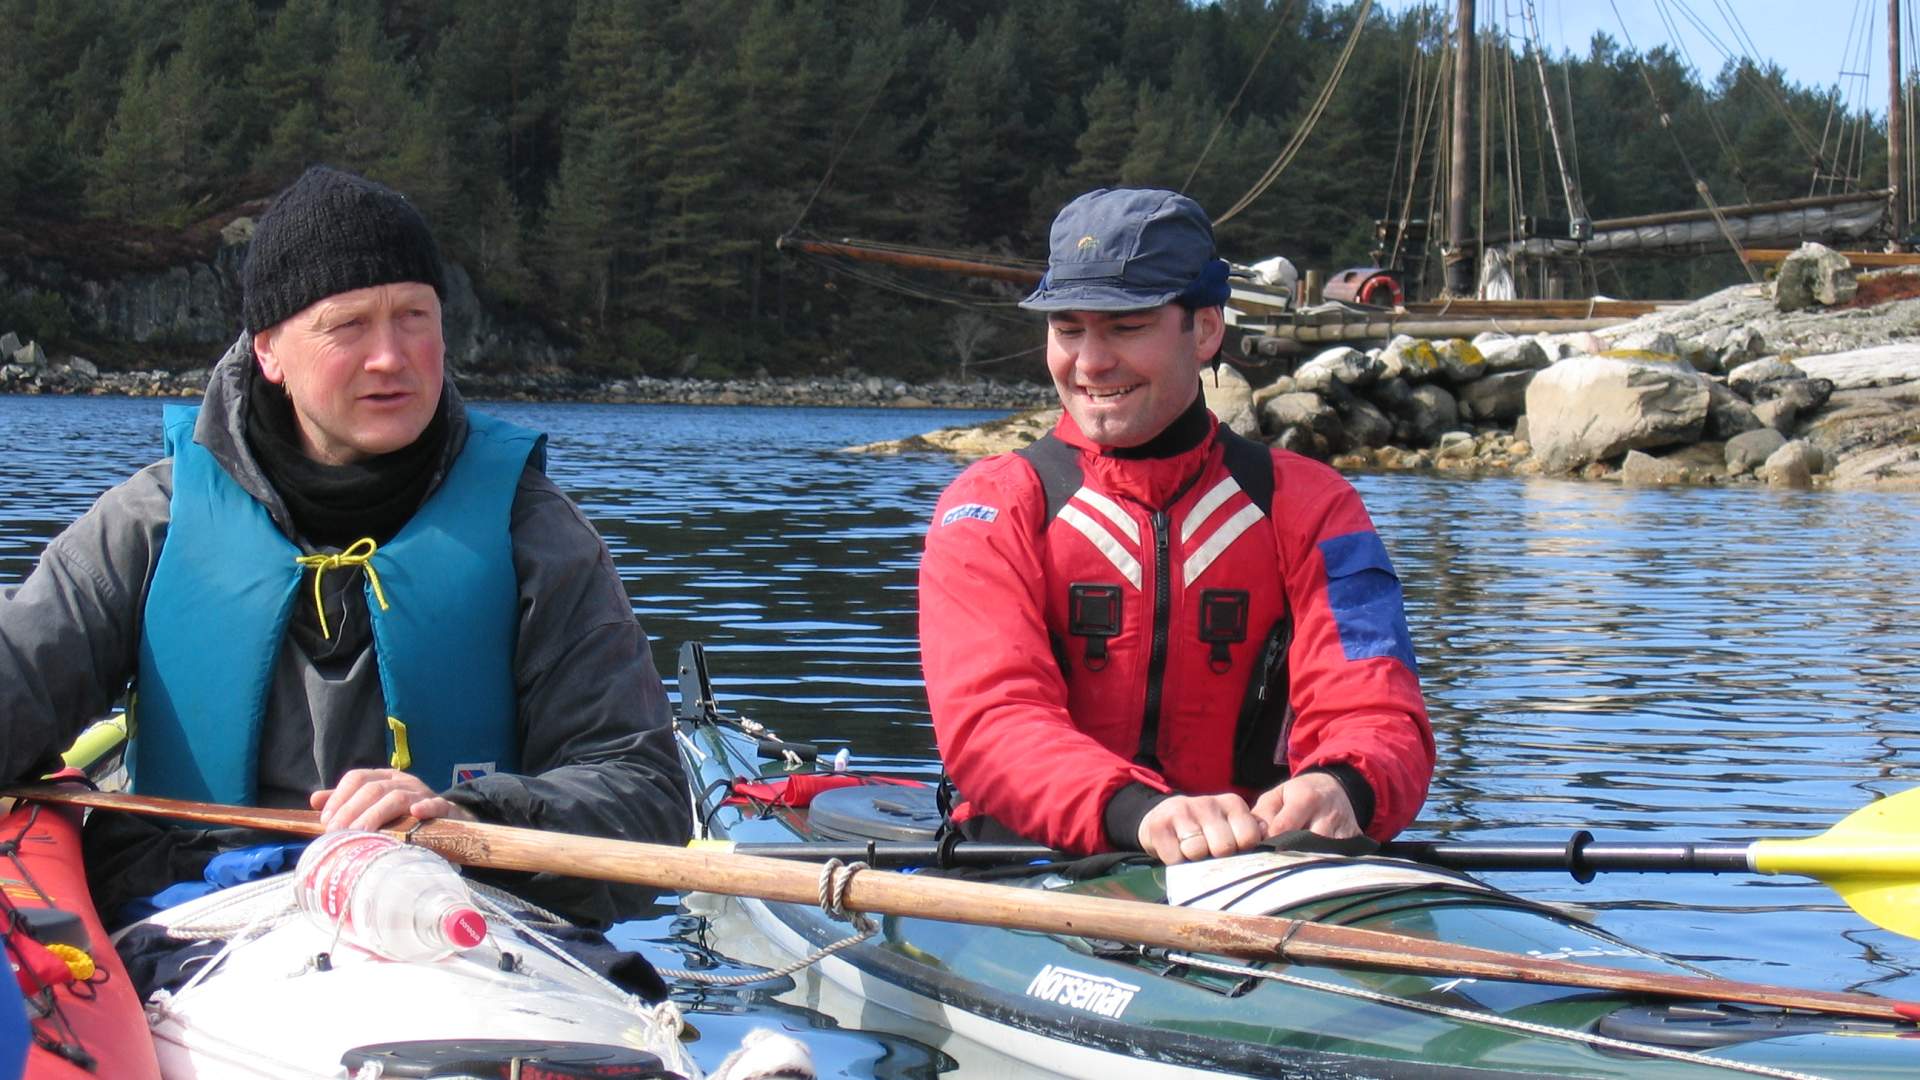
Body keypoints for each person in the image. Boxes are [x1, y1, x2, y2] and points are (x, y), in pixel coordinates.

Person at [0, 165, 690, 925]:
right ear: (269, 350)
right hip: (202, 920)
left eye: (414, 317)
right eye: (348, 325)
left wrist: (465, 817)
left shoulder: (535, 532)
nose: (390, 356)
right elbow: (20, 678)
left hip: (455, 921)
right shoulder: (151, 522)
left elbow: (645, 795)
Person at [919, 188, 1432, 866]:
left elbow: (1376, 705)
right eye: (1068, 329)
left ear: (1207, 330)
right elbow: (991, 722)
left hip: (1255, 865)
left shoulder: (1316, 507)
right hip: (1026, 864)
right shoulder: (988, 508)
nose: (1090, 362)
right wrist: (1142, 812)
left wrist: (1346, 786)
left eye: (1126, 327)